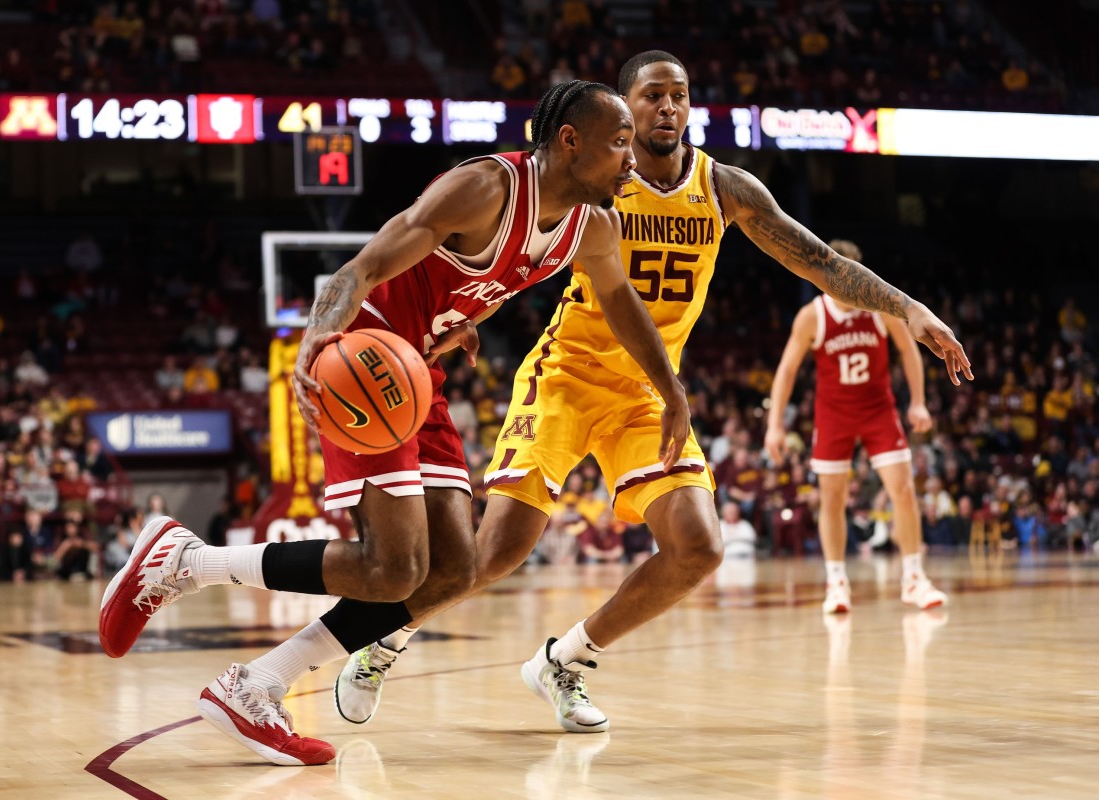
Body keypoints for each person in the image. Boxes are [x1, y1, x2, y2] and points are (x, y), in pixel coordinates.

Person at [333, 52, 970, 735]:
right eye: (652, 96)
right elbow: (521, 258)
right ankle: (383, 643)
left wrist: (909, 309)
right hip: (568, 375)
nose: (668, 107)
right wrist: (458, 318)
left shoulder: (726, 189)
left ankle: (565, 661)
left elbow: (822, 262)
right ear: (622, 109)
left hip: (649, 392)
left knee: (700, 546)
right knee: (496, 552)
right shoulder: (598, 183)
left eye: (680, 95)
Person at [99, 79, 693, 765]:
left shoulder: (593, 226)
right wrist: (321, 333)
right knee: (392, 568)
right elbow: (369, 262)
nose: (630, 158)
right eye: (618, 141)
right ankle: (186, 561)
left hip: (421, 372)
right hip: (367, 357)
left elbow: (616, 302)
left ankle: (256, 684)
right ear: (569, 141)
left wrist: (667, 388)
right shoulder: (487, 187)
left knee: (449, 571)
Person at [765, 239, 949, 614]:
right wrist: (774, 426)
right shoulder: (812, 316)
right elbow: (786, 371)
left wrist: (917, 401)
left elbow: (909, 352)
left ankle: (914, 578)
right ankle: (836, 583)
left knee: (902, 489)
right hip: (833, 414)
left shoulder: (881, 310)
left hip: (878, 409)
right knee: (831, 499)